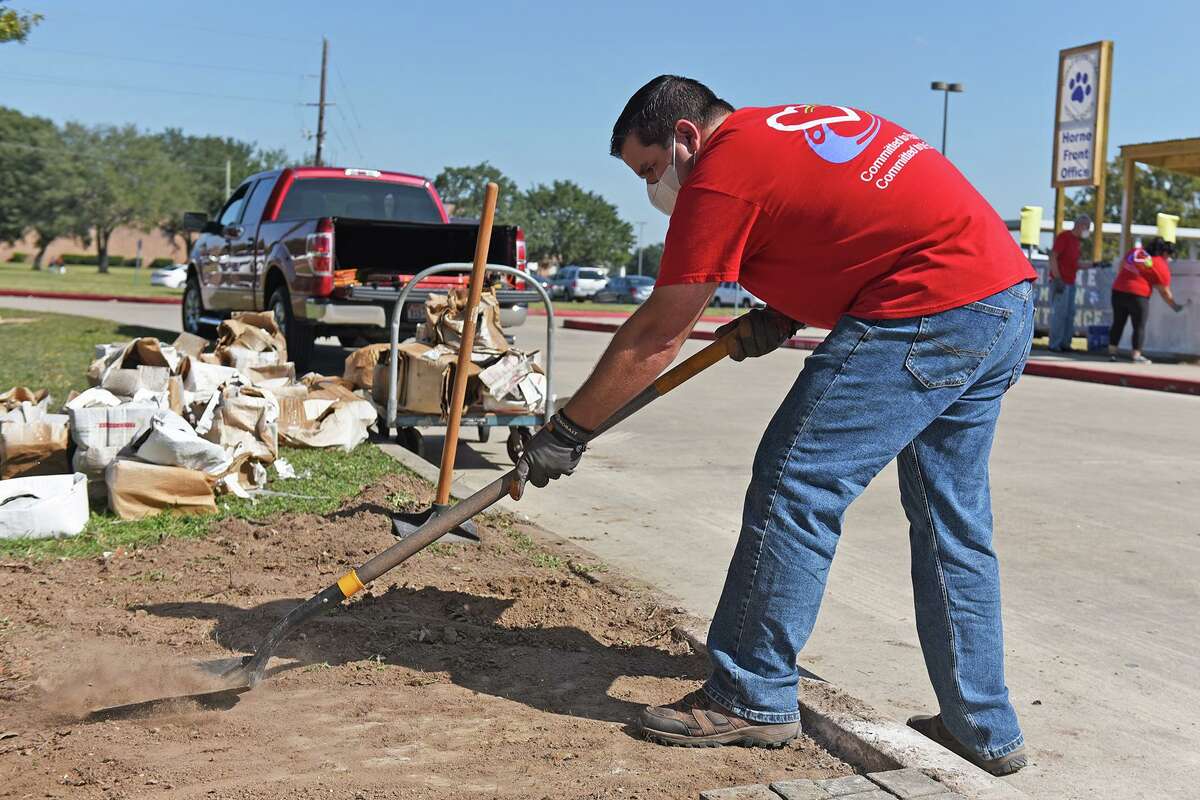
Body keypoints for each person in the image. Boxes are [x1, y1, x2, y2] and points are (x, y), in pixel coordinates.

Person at [517, 76, 1034, 776]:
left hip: (928, 307)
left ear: (686, 137)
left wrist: (569, 431)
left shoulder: (722, 173)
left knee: (796, 482)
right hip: (1000, 299)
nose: (653, 189)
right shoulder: (789, 130)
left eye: (649, 169)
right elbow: (859, 224)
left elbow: (658, 332)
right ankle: (983, 726)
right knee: (952, 521)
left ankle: (751, 695)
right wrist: (788, 310)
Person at [1109, 238, 1188, 363]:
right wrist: (1174, 306)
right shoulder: (1160, 264)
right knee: (1139, 326)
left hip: (1118, 291)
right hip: (1138, 295)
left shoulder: (1135, 252)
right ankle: (1136, 355)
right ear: (1164, 253)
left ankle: (1112, 353)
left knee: (1118, 323)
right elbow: (1164, 292)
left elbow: (1122, 266)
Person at [1047, 215, 1095, 352]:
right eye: (1088, 227)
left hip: (1070, 283)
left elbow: (1075, 264)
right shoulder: (1064, 237)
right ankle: (1054, 345)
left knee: (1070, 314)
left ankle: (1065, 344)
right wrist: (1057, 278)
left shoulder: (1076, 242)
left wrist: (1093, 264)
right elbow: (1053, 257)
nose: (1088, 231)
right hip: (1061, 282)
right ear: (1080, 225)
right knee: (1060, 314)